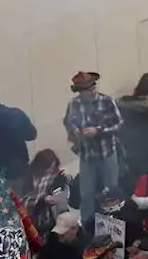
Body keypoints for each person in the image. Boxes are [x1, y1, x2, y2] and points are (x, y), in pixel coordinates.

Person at [62, 71, 124, 224]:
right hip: (87, 156)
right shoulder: (74, 104)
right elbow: (68, 122)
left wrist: (98, 130)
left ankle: (113, 223)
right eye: (88, 89)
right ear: (80, 92)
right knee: (87, 194)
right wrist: (75, 132)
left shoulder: (107, 101)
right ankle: (88, 225)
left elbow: (118, 124)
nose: (92, 91)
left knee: (111, 191)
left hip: (107, 153)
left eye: (93, 87)